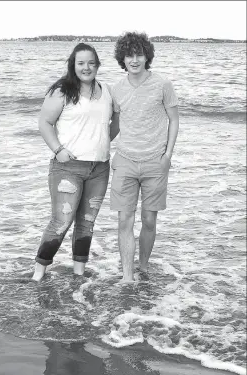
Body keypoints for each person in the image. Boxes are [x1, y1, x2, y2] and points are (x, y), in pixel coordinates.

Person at [33, 43, 118, 281]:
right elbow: (44, 123)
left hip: (99, 168)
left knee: (86, 224)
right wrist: (58, 149)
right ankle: (38, 273)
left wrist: (99, 142)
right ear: (73, 65)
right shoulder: (62, 90)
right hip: (67, 167)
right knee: (61, 221)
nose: (86, 67)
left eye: (91, 63)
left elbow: (115, 123)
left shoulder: (107, 91)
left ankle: (78, 274)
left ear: (98, 65)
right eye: (81, 63)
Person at [110, 32, 179, 282]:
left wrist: (167, 155)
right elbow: (115, 125)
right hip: (125, 161)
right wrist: (93, 146)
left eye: (139, 54)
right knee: (124, 220)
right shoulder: (116, 89)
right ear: (123, 59)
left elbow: (174, 119)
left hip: (155, 162)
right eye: (129, 55)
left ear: (147, 56)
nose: (134, 59)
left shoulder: (163, 84)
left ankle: (144, 267)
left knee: (149, 220)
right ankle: (128, 277)